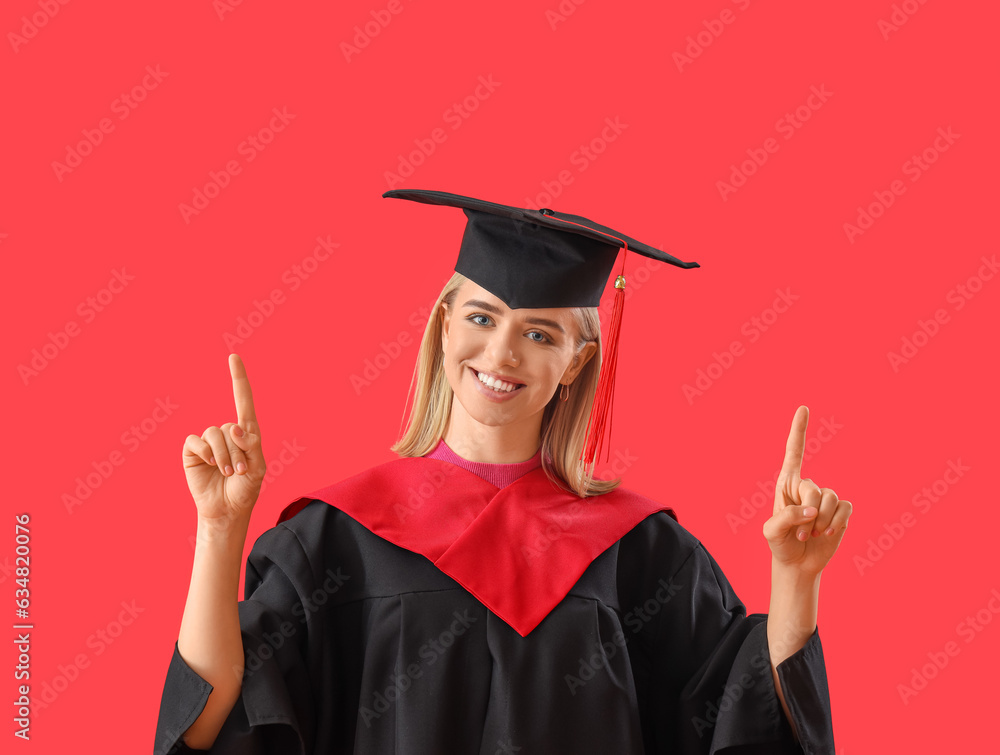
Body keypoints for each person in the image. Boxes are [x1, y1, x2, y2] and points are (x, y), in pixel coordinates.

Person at [154, 189, 851, 754]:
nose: (502, 351)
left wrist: (795, 580)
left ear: (576, 362)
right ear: (445, 324)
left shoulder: (641, 554)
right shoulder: (334, 541)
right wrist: (219, 528)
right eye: (482, 317)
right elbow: (215, 726)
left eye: (540, 332)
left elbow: (746, 722)